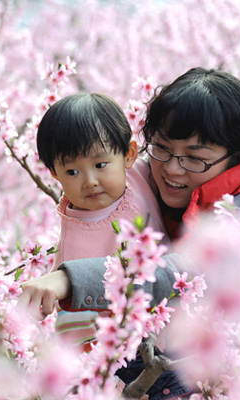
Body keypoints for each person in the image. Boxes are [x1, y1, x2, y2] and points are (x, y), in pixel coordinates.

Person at [19, 68, 240, 399]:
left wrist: (73, 280)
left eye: (195, 158)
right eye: (161, 149)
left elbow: (185, 271)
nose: (172, 169)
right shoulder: (168, 181)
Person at [35, 93, 170, 348]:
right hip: (140, 350)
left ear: (129, 154)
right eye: (72, 171)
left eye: (100, 164)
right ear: (55, 173)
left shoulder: (139, 175)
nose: (90, 181)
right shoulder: (72, 250)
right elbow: (77, 334)